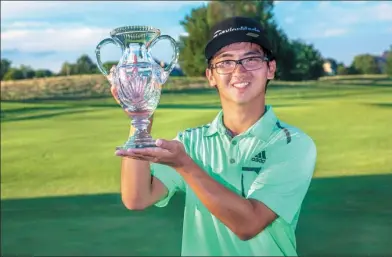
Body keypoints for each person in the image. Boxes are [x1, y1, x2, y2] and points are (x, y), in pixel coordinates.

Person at [112, 16, 317, 256]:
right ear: (211, 76)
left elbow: (248, 224)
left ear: (270, 68)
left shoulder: (292, 143)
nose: (239, 71)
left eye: (251, 59)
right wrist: (140, 116)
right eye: (225, 62)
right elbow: (137, 198)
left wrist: (185, 166)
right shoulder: (190, 142)